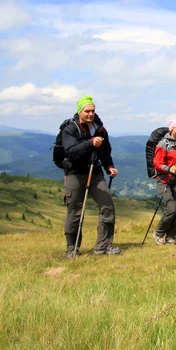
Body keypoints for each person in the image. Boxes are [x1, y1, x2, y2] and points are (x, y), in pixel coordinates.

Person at [62, 95, 120, 258]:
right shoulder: (70, 129)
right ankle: (72, 249)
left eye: (93, 111)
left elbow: (106, 152)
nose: (90, 114)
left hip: (95, 173)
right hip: (75, 174)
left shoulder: (100, 129)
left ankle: (103, 246)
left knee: (107, 207)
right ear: (79, 111)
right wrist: (90, 143)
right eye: (87, 111)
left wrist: (110, 167)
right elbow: (71, 152)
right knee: (75, 212)